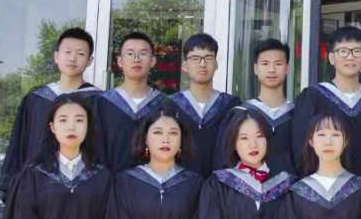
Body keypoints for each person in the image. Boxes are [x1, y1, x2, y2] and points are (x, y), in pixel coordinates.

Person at [0, 27, 99, 196]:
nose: (73, 58)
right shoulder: (35, 99)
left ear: (90, 61)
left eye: (80, 54)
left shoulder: (99, 101)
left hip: (83, 190)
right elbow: (20, 145)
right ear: (56, 57)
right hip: (37, 188)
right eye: (67, 52)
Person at [292, 26, 361, 178]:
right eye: (343, 51)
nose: (350, 57)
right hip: (322, 184)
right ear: (331, 58)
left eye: (357, 51)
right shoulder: (313, 97)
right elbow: (301, 146)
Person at [91, 31, 171, 172]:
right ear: (120, 61)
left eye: (143, 53)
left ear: (152, 61)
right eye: (130, 53)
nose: (136, 59)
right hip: (109, 183)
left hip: (153, 183)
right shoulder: (101, 103)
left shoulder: (165, 104)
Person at [170, 32, 241, 175]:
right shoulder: (171, 105)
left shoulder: (231, 106)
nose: (202, 64)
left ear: (216, 64)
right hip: (179, 184)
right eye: (195, 58)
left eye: (208, 58)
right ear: (184, 65)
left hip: (221, 184)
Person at [243, 38, 298, 177]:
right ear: (256, 69)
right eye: (265, 64)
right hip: (250, 188)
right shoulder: (242, 114)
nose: (272, 69)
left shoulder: (298, 115)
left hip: (291, 188)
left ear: (287, 69)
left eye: (278, 64)